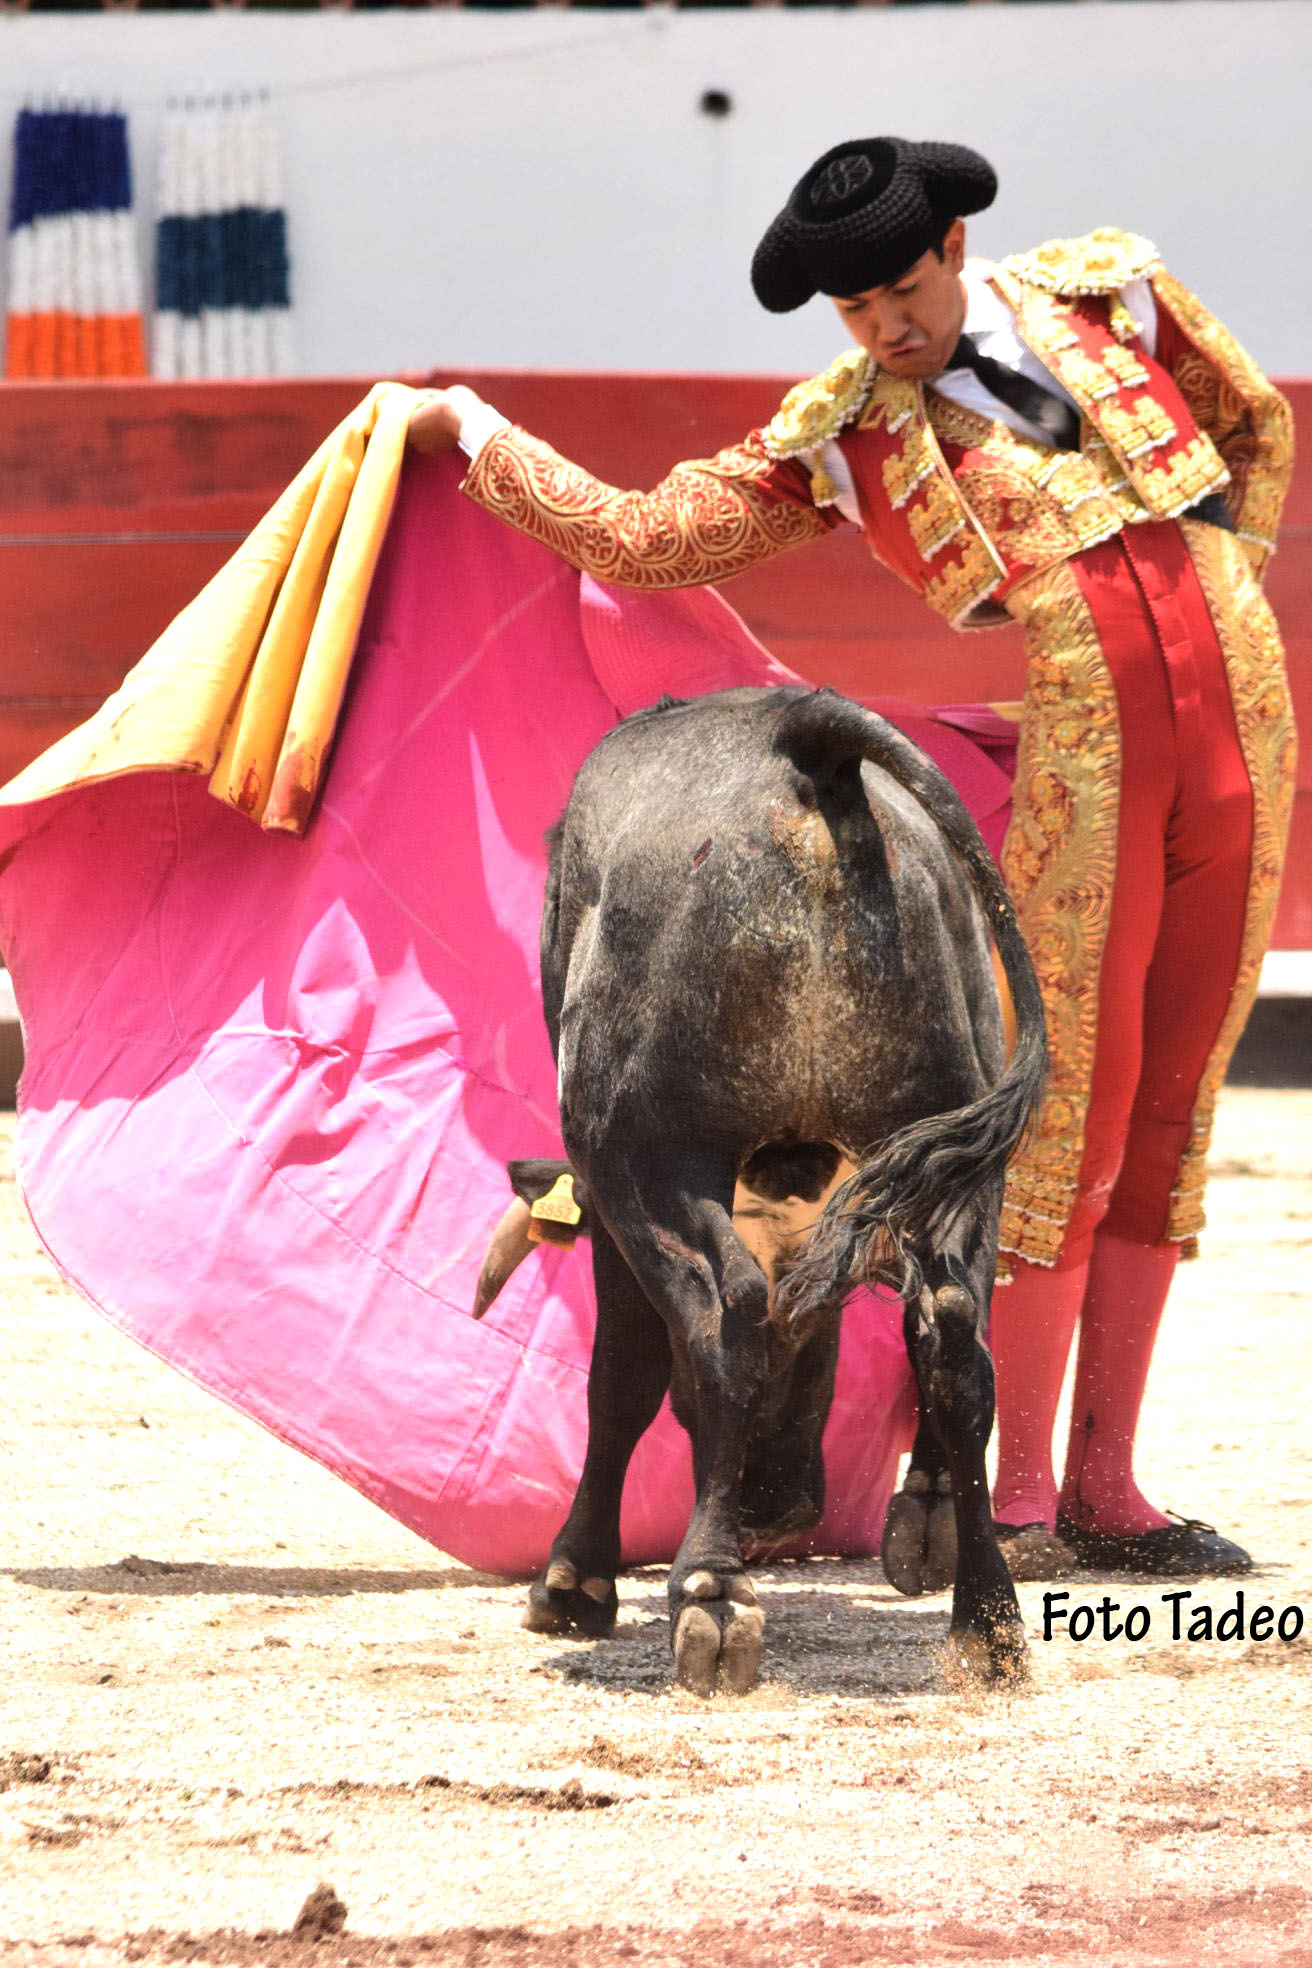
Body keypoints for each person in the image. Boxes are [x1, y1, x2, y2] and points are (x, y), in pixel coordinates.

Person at [409, 135, 1296, 1582]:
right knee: (1066, 1105)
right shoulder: (845, 431)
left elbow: (1252, 429)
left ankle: (1112, 1486)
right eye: (852, 310)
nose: (884, 327)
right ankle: (1013, 1491)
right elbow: (647, 541)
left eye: (898, 288)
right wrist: (479, 437)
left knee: (1177, 1107)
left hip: (1245, 740)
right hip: (1096, 763)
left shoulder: (1111, 292)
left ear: (953, 246)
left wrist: (1220, 602)